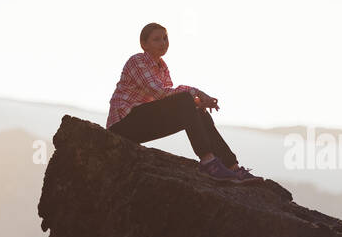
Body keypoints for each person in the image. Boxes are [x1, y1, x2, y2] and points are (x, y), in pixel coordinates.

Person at [107, 23, 259, 182]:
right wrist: (197, 93)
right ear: (144, 44)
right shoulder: (137, 61)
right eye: (156, 39)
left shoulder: (162, 68)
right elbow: (160, 93)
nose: (163, 43)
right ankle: (208, 163)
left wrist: (197, 102)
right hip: (123, 125)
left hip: (141, 122)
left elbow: (169, 100)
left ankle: (232, 167)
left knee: (197, 110)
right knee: (186, 100)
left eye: (165, 38)